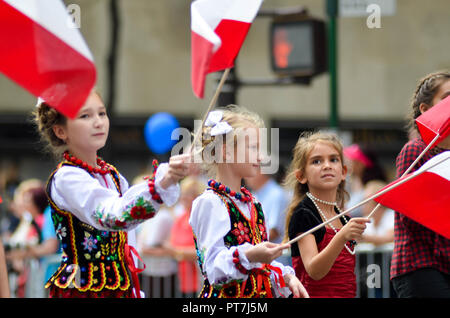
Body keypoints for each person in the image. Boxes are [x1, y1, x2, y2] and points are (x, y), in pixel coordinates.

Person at [33, 90, 192, 298]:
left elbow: (129, 237)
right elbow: (113, 216)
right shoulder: (66, 178)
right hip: (85, 291)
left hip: (120, 287)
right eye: (85, 116)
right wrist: (163, 182)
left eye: (102, 113)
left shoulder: (112, 175)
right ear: (61, 131)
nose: (98, 122)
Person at [189, 105, 308, 298]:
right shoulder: (210, 203)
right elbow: (213, 269)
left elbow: (260, 263)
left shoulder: (253, 203)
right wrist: (251, 254)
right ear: (226, 152)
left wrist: (286, 277)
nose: (261, 156)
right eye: (253, 148)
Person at [284, 131, 370, 298]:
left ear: (344, 171)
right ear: (301, 176)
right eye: (317, 161)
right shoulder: (304, 214)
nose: (327, 165)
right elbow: (314, 271)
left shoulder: (344, 218)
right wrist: (342, 236)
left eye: (333, 159)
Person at [391, 70, 450, 298]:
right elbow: (410, 214)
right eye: (446, 98)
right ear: (425, 110)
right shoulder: (416, 150)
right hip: (420, 265)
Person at [344, 143, 386, 217]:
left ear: (361, 164)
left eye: (352, 160)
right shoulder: (355, 183)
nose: (348, 163)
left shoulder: (372, 189)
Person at [359, 180, 394, 248]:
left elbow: (389, 238)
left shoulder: (391, 216)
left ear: (378, 203)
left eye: (367, 201)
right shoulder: (367, 220)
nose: (363, 204)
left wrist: (361, 236)